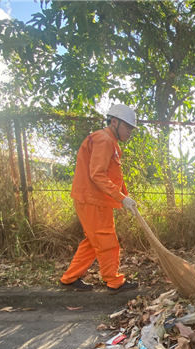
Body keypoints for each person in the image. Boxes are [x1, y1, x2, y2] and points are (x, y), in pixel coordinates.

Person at [60, 104, 140, 294]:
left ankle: (70, 278)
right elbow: (97, 174)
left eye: (131, 128)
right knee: (106, 241)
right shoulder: (104, 140)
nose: (130, 131)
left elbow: (113, 175)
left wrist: (125, 196)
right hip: (91, 200)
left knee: (93, 241)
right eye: (128, 126)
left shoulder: (109, 141)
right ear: (114, 121)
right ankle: (114, 282)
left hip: (94, 200)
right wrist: (121, 198)